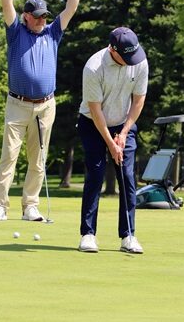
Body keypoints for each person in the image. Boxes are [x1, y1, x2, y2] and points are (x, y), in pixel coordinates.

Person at [0, 0, 83, 221]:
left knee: (38, 159)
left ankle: (31, 205)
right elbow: (6, 3)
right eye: (38, 16)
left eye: (45, 16)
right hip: (17, 104)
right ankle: (0, 205)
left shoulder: (53, 33)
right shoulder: (16, 32)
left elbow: (71, 8)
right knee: (9, 156)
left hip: (45, 106)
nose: (43, 20)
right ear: (27, 17)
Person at [77, 27, 149, 253]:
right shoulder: (94, 67)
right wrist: (110, 142)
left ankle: (128, 236)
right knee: (96, 174)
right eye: (125, 57)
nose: (130, 62)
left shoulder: (139, 61)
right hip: (93, 123)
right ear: (112, 50)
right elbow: (95, 111)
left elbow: (138, 101)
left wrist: (124, 132)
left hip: (123, 123)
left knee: (127, 176)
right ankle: (88, 234)